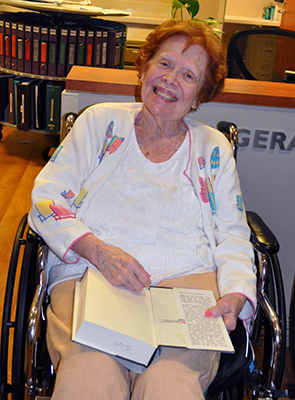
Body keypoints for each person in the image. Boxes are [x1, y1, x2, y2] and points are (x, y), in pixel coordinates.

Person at [28, 19, 256, 400]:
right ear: (144, 66)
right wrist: (98, 250)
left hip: (187, 291)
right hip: (93, 276)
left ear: (199, 95)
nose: (170, 80)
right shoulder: (99, 123)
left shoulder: (213, 149)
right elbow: (47, 199)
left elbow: (233, 234)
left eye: (188, 75)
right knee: (88, 379)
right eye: (164, 64)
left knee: (172, 386)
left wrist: (236, 295)